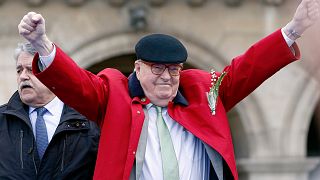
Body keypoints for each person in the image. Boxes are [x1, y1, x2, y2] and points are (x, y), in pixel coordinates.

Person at [17, 0, 319, 179]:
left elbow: (246, 69)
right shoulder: (113, 94)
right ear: (137, 68)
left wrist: (293, 29)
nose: (167, 77)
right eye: (157, 68)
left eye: (174, 69)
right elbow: (77, 84)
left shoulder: (204, 92)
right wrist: (43, 44)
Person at [0, 43, 100, 179]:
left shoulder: (88, 119)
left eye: (30, 69)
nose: (23, 76)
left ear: (52, 73)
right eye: (19, 70)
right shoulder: (3, 120)